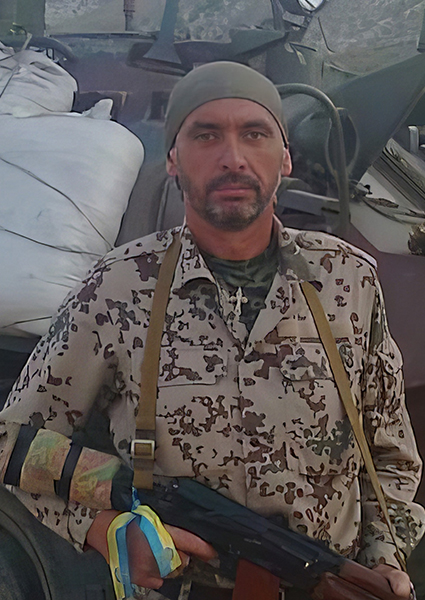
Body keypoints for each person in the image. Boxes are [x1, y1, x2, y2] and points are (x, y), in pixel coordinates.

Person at [0, 61, 423, 600]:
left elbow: (389, 451)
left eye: (255, 134)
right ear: (173, 160)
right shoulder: (120, 287)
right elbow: (14, 444)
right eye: (205, 135)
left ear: (285, 156)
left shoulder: (347, 280)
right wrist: (105, 530)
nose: (233, 158)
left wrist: (384, 560)